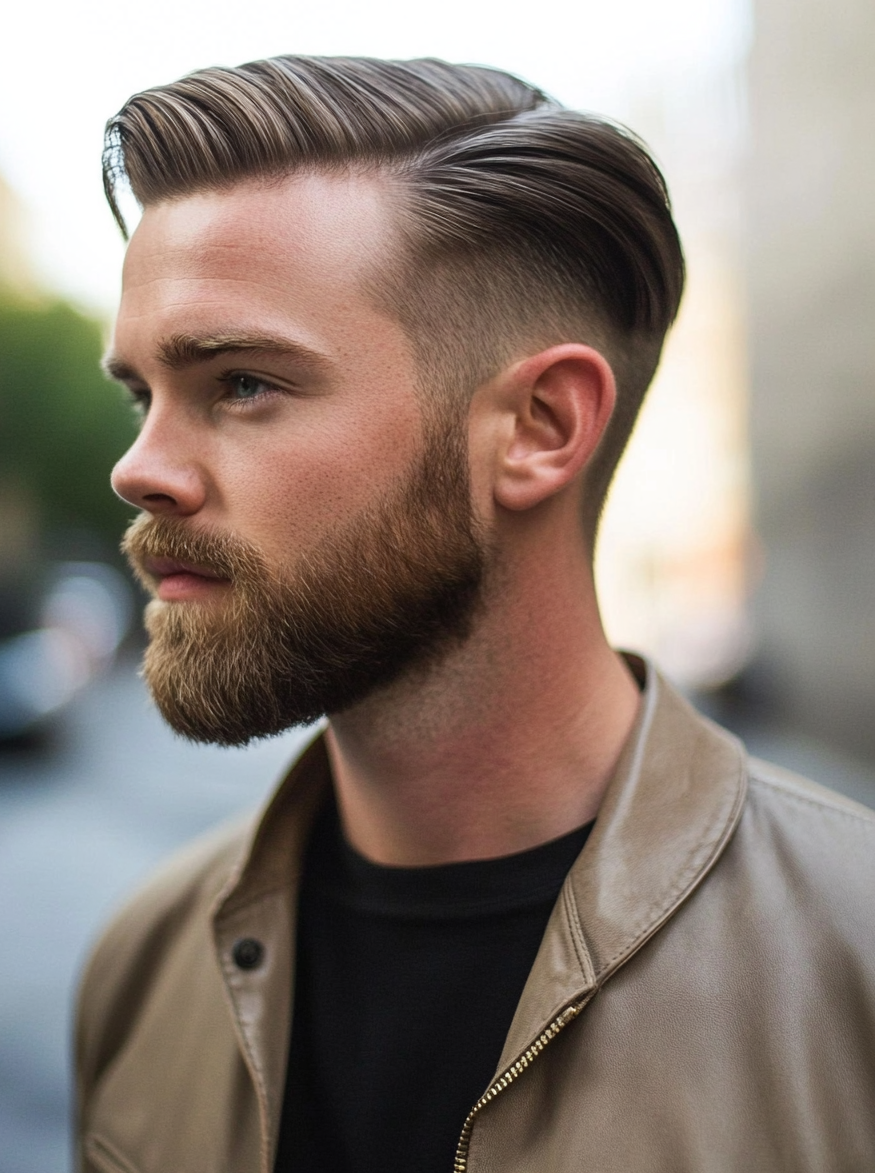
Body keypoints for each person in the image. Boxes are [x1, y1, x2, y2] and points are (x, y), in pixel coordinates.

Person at [75, 56, 875, 1173]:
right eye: (139, 395)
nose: (138, 467)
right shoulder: (144, 967)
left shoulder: (849, 969)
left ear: (539, 427)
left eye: (242, 382)